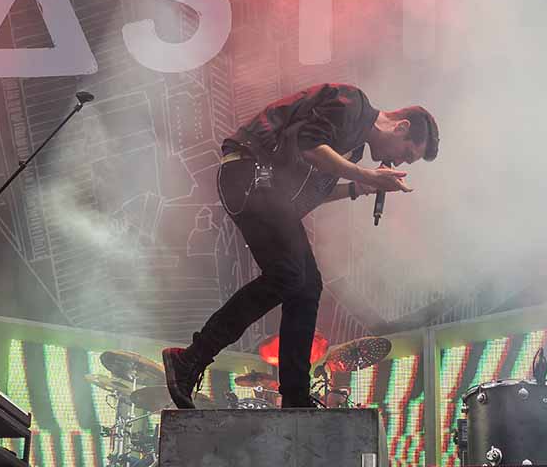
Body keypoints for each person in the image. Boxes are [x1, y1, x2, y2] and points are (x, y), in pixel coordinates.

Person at [163, 83, 439, 409]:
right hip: (249, 171)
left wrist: (360, 187)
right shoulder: (352, 103)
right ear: (401, 126)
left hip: (271, 191)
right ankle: (192, 358)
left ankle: (294, 396)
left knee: (307, 286)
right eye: (405, 153)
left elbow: (316, 189)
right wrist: (366, 175)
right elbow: (310, 147)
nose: (396, 161)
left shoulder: (352, 146)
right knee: (289, 274)